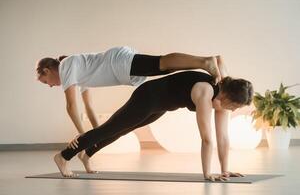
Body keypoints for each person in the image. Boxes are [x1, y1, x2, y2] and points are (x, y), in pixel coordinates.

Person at [51, 60, 253, 181]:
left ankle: (87, 153)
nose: (233, 111)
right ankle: (64, 156)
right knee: (112, 127)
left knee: (122, 130)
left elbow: (223, 137)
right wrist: (207, 174)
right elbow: (207, 138)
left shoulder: (221, 101)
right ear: (227, 97)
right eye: (235, 106)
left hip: (162, 106)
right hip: (149, 97)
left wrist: (225, 170)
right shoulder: (205, 90)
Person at [36, 46, 225, 173]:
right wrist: (91, 136)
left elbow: (71, 106)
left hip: (117, 64)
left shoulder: (67, 66)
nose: (51, 86)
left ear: (47, 70)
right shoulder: (78, 72)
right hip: (120, 66)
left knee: (163, 63)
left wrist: (83, 135)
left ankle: (204, 62)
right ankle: (87, 154)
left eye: (46, 82)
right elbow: (88, 106)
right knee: (163, 67)